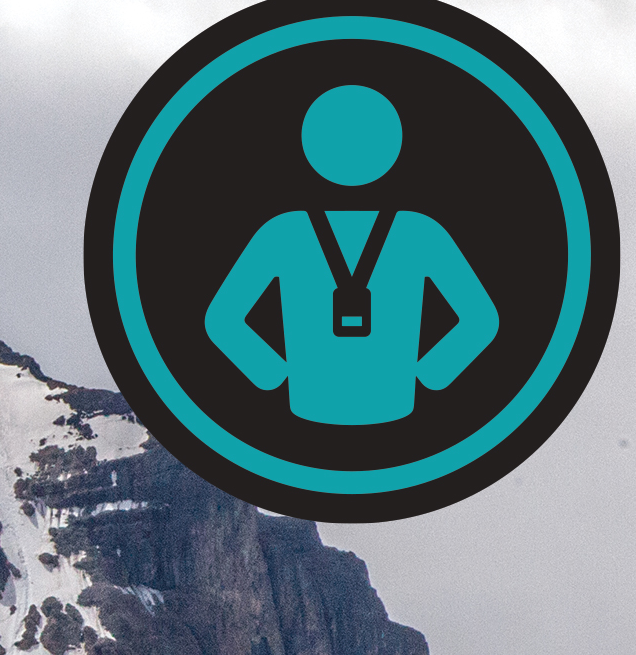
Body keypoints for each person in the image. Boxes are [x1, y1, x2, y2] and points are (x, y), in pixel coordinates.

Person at [201, 84, 498, 429]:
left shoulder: (283, 232)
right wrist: (429, 375)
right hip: (393, 401)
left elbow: (222, 320)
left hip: (311, 401)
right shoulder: (420, 231)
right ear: (391, 146)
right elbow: (481, 320)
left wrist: (274, 375)